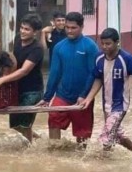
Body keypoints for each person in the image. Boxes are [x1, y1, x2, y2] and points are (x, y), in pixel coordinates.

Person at [36, 11, 99, 149]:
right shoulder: (59, 47)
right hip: (63, 95)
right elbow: (54, 74)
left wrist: (84, 95)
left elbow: (93, 74)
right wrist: (47, 98)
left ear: (82, 27)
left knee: (82, 136)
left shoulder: (90, 46)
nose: (69, 31)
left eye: (73, 28)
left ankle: (81, 161)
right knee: (53, 117)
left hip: (83, 97)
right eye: (67, 27)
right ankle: (54, 152)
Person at [0, 13, 44, 143]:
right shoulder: (17, 39)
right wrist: (3, 75)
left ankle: (30, 150)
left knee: (25, 124)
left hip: (32, 91)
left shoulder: (37, 49)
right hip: (16, 88)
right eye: (21, 28)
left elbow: (24, 70)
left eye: (27, 29)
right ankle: (39, 140)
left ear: (35, 32)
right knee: (15, 125)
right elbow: (14, 62)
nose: (22, 31)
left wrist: (2, 80)